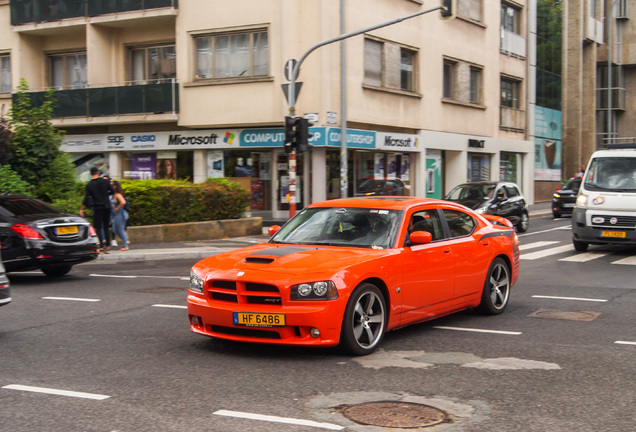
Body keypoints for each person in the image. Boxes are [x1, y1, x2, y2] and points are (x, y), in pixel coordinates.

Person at [80, 167, 114, 252]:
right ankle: (108, 245)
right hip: (107, 206)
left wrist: (81, 209)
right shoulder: (105, 181)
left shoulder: (89, 185)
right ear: (98, 172)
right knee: (106, 226)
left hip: (97, 207)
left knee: (98, 227)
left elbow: (86, 199)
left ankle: (101, 245)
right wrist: (106, 194)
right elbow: (112, 191)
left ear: (90, 174)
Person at [109, 180, 129, 251]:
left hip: (119, 214)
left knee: (120, 230)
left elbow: (123, 202)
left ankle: (125, 245)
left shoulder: (118, 194)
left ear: (115, 186)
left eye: (111, 185)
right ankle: (125, 240)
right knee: (114, 229)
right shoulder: (114, 195)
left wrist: (117, 208)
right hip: (116, 214)